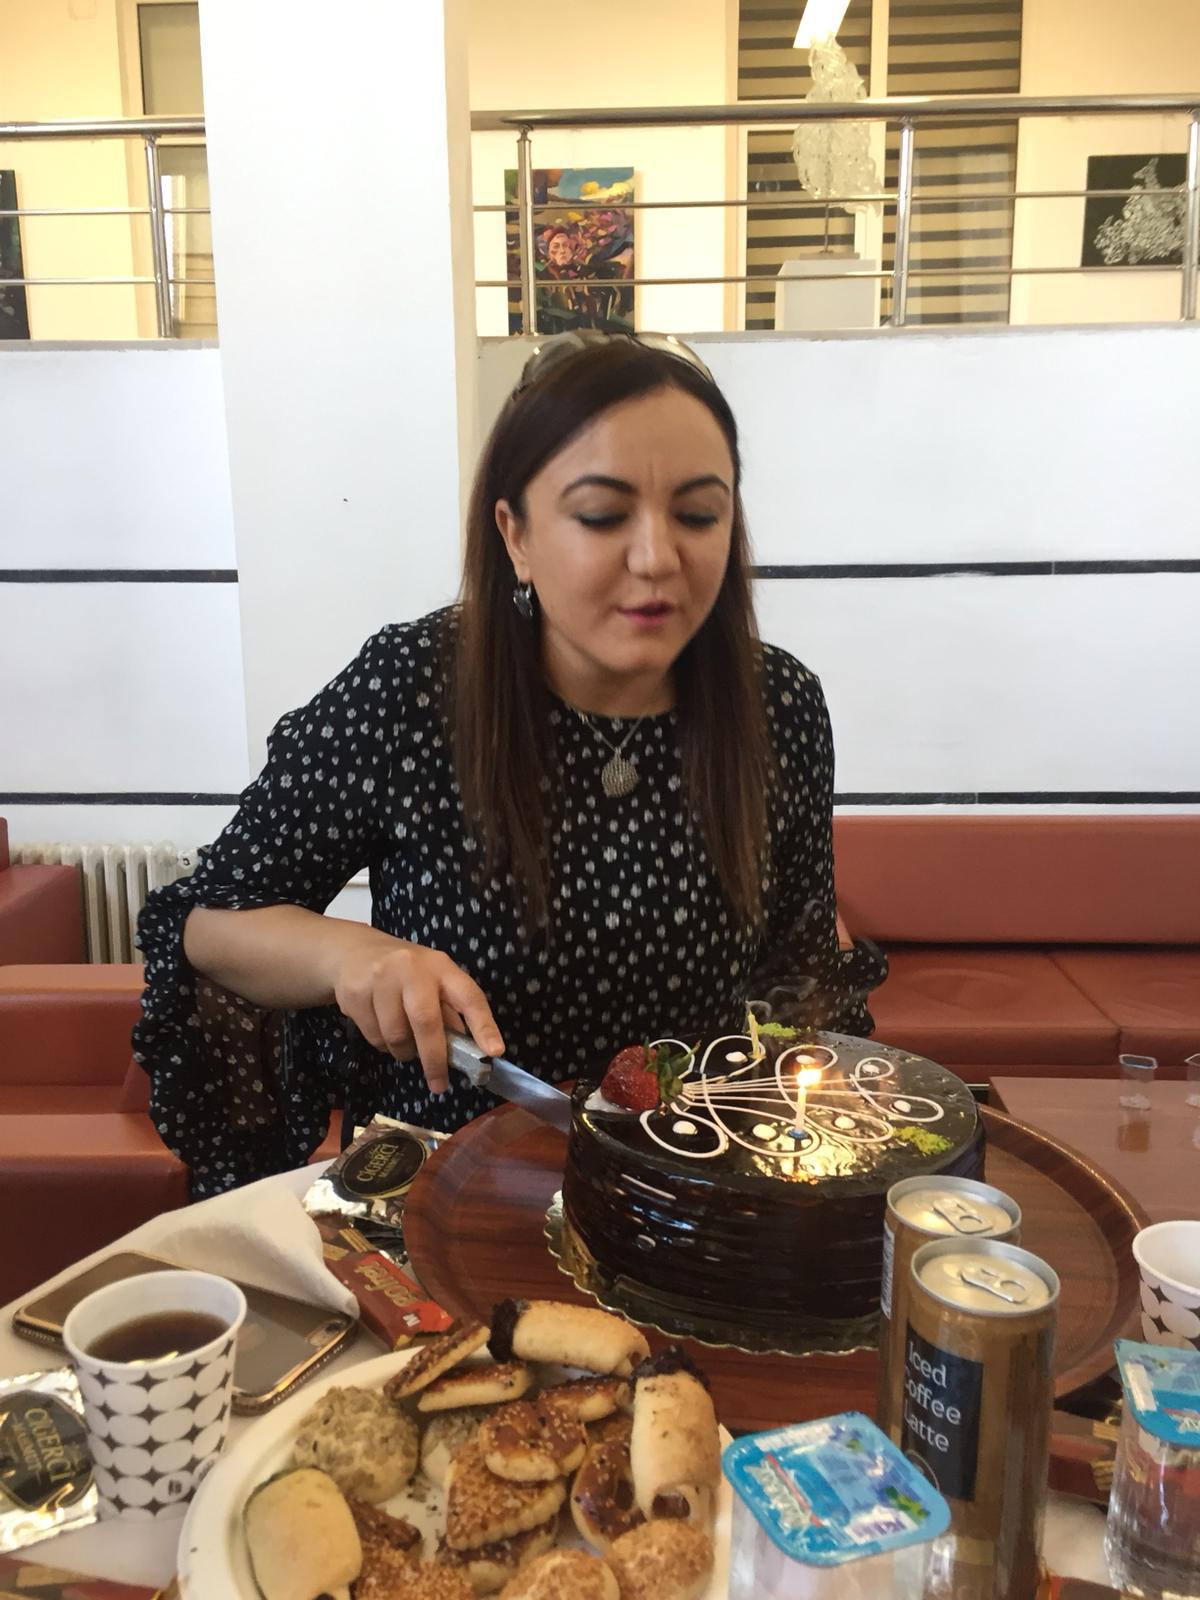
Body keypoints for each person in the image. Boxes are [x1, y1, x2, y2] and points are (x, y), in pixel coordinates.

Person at [134, 332, 884, 1197]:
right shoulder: (417, 689)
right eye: (601, 516)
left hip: (688, 1198)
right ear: (515, 534)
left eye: (698, 515)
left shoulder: (778, 706)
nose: (657, 557)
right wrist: (354, 956)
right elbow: (208, 923)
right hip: (448, 1195)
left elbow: (798, 978)